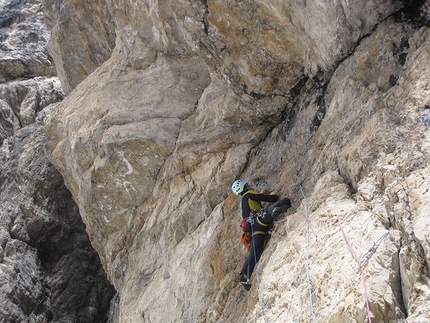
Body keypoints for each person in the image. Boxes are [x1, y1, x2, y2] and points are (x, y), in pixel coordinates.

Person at [231, 179, 292, 290]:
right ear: (245, 186)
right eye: (247, 184)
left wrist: (260, 194)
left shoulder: (245, 199)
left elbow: (255, 201)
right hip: (259, 220)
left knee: (256, 252)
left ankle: (244, 276)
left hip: (254, 228)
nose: (249, 185)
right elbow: (272, 198)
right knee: (285, 201)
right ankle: (274, 212)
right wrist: (272, 195)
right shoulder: (249, 193)